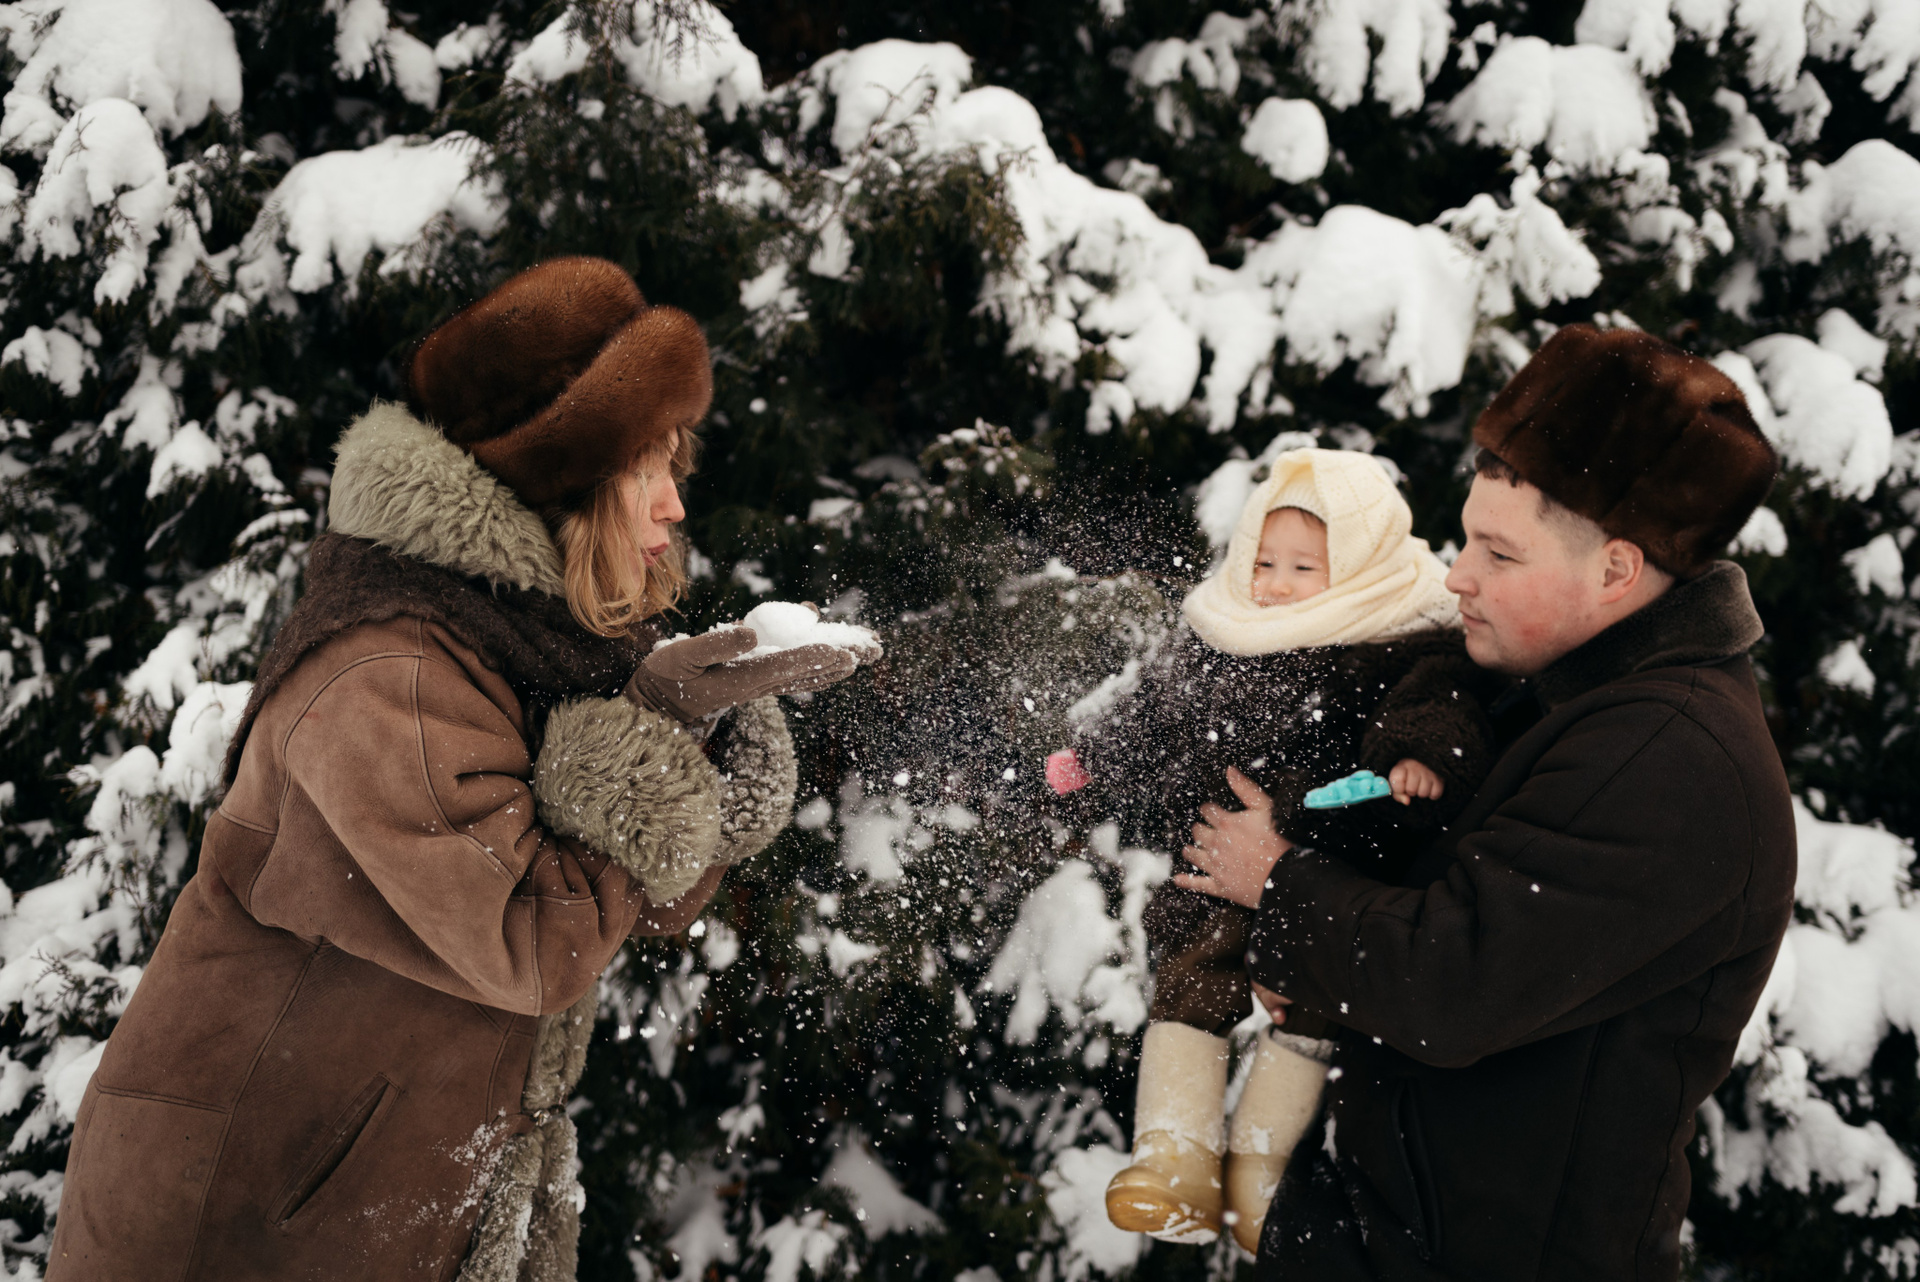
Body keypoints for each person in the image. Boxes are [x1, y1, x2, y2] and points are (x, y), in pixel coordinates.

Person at [47, 258, 860, 1282]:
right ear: (561, 484)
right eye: (643, 469)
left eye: (673, 467)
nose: (672, 508)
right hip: (235, 1220)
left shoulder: (517, 645)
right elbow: (534, 933)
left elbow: (632, 900)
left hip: (352, 1206)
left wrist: (692, 731)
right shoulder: (392, 672)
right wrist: (648, 737)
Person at [1178, 324, 1796, 1281]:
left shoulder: (1669, 757)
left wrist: (1277, 883)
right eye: (1467, 537)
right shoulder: (1555, 694)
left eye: (1499, 555)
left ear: (1616, 571)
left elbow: (1452, 981)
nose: (1457, 574)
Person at [1044, 448, 1494, 1253]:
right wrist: (1097, 755)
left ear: (1360, 563)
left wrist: (1418, 759)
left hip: (1331, 861)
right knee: (1192, 981)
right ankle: (1173, 1155)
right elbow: (1157, 708)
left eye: (1303, 567)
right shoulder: (1224, 630)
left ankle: (1265, 1177)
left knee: (1316, 1014)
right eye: (1264, 561)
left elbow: (1437, 708)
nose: (1276, 585)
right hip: (1218, 860)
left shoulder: (1401, 636)